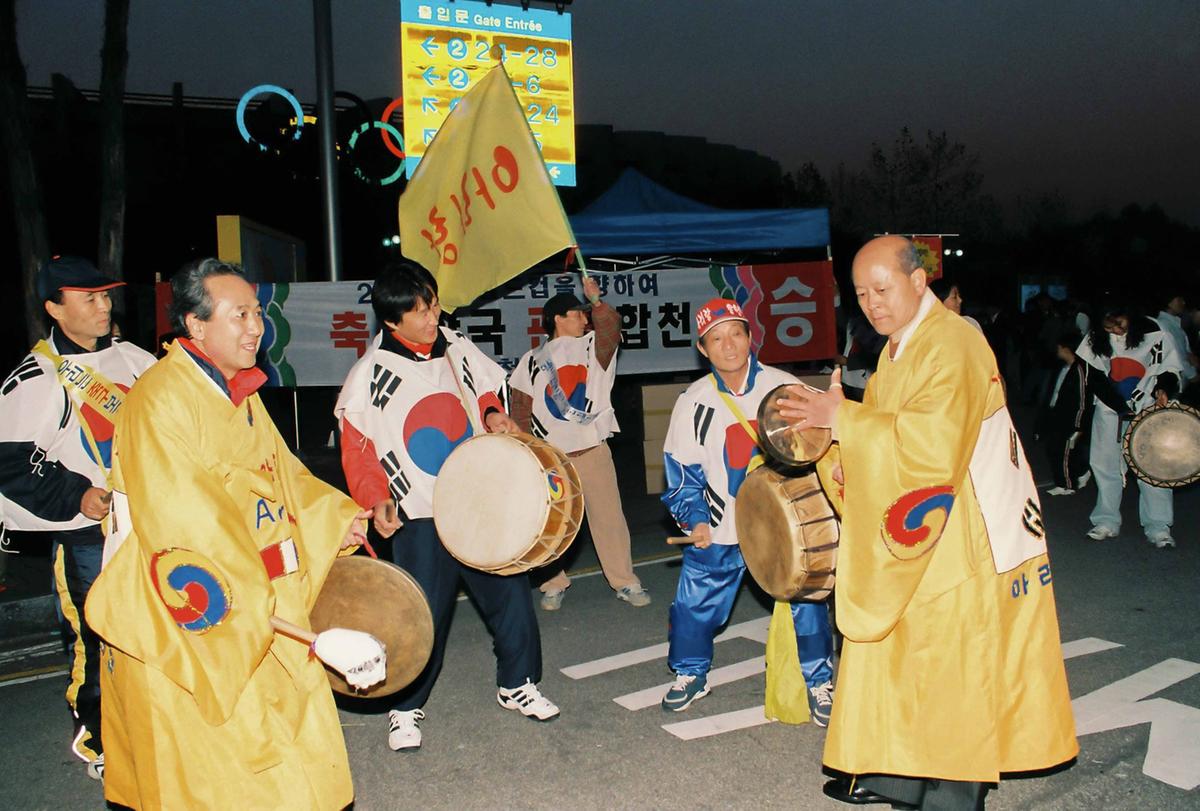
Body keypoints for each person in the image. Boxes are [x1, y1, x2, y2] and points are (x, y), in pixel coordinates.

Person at [779, 236, 1077, 809]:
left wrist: (844, 417)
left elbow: (932, 444)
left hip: (963, 528)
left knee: (949, 660)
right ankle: (896, 770)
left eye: (882, 289)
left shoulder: (955, 341)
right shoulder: (899, 348)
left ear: (920, 282)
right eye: (861, 293)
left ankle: (949, 791)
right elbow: (888, 432)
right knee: (904, 653)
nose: (871, 304)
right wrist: (831, 437)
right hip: (928, 520)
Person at [84, 259, 374, 808]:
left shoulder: (235, 393)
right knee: (213, 768)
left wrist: (337, 517)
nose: (256, 327)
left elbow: (283, 476)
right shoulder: (161, 399)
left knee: (286, 756)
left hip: (262, 602)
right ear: (195, 326)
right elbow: (184, 525)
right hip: (203, 615)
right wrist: (266, 610)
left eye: (258, 313)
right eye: (238, 314)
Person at [335, 258, 559, 753]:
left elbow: (485, 390)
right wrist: (375, 499)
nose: (432, 316)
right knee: (422, 613)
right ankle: (405, 707)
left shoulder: (456, 347)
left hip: (475, 498)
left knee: (509, 592)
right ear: (391, 321)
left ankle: (517, 683)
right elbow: (359, 446)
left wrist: (495, 414)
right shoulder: (370, 375)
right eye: (419, 311)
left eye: (433, 304)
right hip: (418, 509)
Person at [0, 256, 155, 780]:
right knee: (96, 635)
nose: (104, 306)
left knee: (158, 628)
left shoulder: (135, 359)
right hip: (87, 533)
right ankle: (99, 734)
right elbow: (8, 461)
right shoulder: (36, 375)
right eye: (88, 298)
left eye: (106, 295)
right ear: (53, 308)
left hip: (152, 524)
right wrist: (76, 495)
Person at [659, 298, 835, 724]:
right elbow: (681, 472)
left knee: (807, 598)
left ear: (749, 336)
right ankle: (690, 673)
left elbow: (817, 451)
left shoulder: (784, 387)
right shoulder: (693, 402)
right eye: (716, 338)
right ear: (703, 348)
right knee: (694, 603)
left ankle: (818, 681)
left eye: (735, 333)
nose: (728, 345)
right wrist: (694, 518)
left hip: (784, 523)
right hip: (721, 523)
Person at [508, 275, 650, 611]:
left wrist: (597, 301)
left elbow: (611, 326)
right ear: (557, 318)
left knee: (608, 518)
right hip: (552, 456)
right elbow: (520, 407)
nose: (583, 319)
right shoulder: (532, 360)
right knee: (552, 523)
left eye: (585, 315)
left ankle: (625, 580)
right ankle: (553, 583)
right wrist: (527, 452)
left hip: (591, 448)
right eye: (576, 314)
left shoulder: (593, 347)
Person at [1076, 305, 1183, 547]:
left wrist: (1163, 389)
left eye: (1120, 322)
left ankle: (1159, 526)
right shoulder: (1095, 339)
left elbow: (1169, 368)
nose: (1116, 330)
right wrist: (1120, 406)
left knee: (1152, 468)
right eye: (1109, 326)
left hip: (1149, 410)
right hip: (1110, 411)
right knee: (1105, 465)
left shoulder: (1154, 331)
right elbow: (1095, 379)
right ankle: (1106, 520)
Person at [1038, 329, 1095, 495]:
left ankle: (1067, 485)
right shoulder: (1063, 368)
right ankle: (1072, 477)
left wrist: (1078, 423)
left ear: (1066, 349)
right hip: (1056, 414)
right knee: (1054, 448)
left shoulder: (1079, 370)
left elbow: (1083, 399)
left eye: (1059, 347)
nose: (1057, 350)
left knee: (1064, 451)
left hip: (1069, 417)